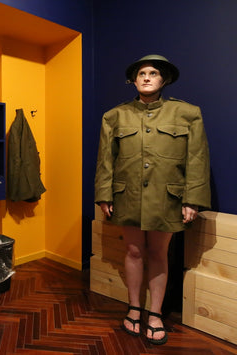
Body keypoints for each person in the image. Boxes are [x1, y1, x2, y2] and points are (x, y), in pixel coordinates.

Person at [94, 54, 211, 345]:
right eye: (141, 73)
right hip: (127, 196)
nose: (147, 77)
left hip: (167, 197)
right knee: (133, 252)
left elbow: (197, 159)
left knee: (160, 254)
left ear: (164, 79)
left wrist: (192, 199)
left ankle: (155, 313)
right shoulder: (114, 116)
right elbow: (105, 161)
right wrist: (103, 194)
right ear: (134, 80)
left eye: (154, 73)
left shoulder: (187, 113)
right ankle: (134, 307)